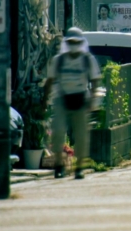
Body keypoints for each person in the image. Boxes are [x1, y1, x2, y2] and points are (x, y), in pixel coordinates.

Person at [44, 27, 102, 179]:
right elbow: (50, 80)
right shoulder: (59, 60)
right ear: (66, 43)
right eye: (71, 42)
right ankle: (59, 165)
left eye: (77, 42)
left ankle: (79, 168)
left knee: (82, 135)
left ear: (81, 43)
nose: (73, 45)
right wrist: (44, 99)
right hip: (62, 98)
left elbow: (95, 80)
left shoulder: (87, 59)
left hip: (81, 98)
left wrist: (93, 99)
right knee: (57, 132)